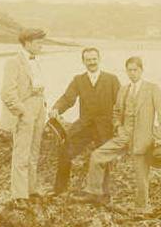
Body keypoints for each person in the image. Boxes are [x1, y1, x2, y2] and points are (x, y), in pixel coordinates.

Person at [76, 56, 161, 211]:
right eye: (129, 70)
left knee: (141, 176)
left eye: (135, 70)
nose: (132, 73)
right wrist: (118, 126)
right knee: (97, 156)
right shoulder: (123, 89)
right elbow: (116, 112)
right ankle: (94, 192)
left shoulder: (152, 89)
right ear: (126, 71)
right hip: (123, 136)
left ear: (141, 70)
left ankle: (141, 208)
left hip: (143, 139)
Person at [49, 47, 121, 194]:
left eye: (94, 59)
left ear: (99, 59)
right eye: (88, 60)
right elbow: (68, 98)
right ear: (83, 62)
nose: (92, 62)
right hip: (84, 126)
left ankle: (104, 194)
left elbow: (120, 103)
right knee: (65, 151)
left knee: (104, 160)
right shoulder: (78, 80)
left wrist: (119, 124)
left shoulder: (112, 79)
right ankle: (59, 190)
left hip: (104, 127)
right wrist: (56, 108)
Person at [0, 28, 48, 201]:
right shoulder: (14, 62)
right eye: (38, 43)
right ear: (27, 43)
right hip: (25, 110)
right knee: (21, 153)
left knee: (34, 151)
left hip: (39, 108)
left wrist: (42, 106)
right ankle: (20, 195)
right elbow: (7, 93)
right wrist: (22, 111)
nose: (41, 46)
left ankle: (31, 190)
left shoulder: (35, 61)